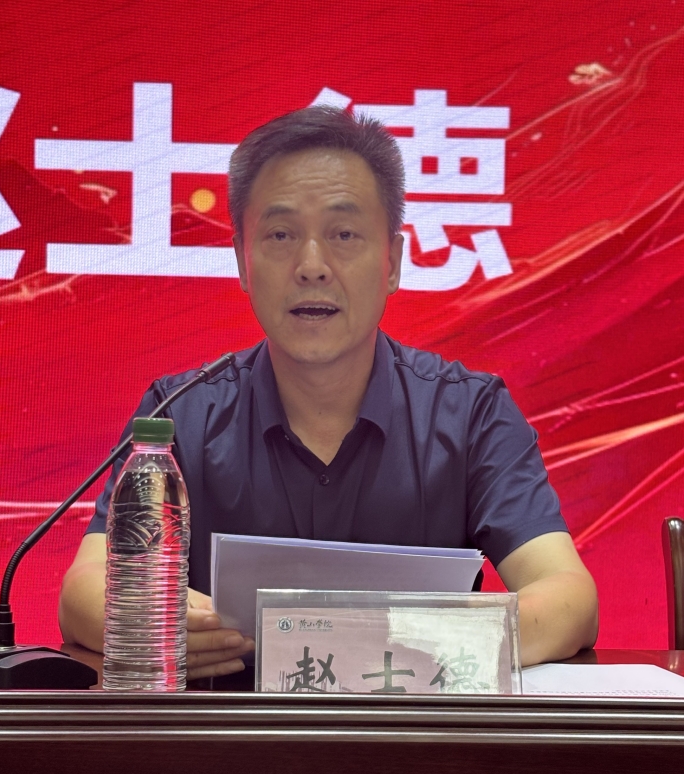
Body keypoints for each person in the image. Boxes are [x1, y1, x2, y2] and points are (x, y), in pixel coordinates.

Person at [59, 107, 598, 682]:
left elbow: (569, 597)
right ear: (242, 262)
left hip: (415, 728)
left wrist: (405, 634)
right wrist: (160, 623)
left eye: (344, 235)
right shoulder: (180, 413)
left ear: (392, 262)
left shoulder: (469, 412)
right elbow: (84, 590)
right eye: (281, 235)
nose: (312, 266)